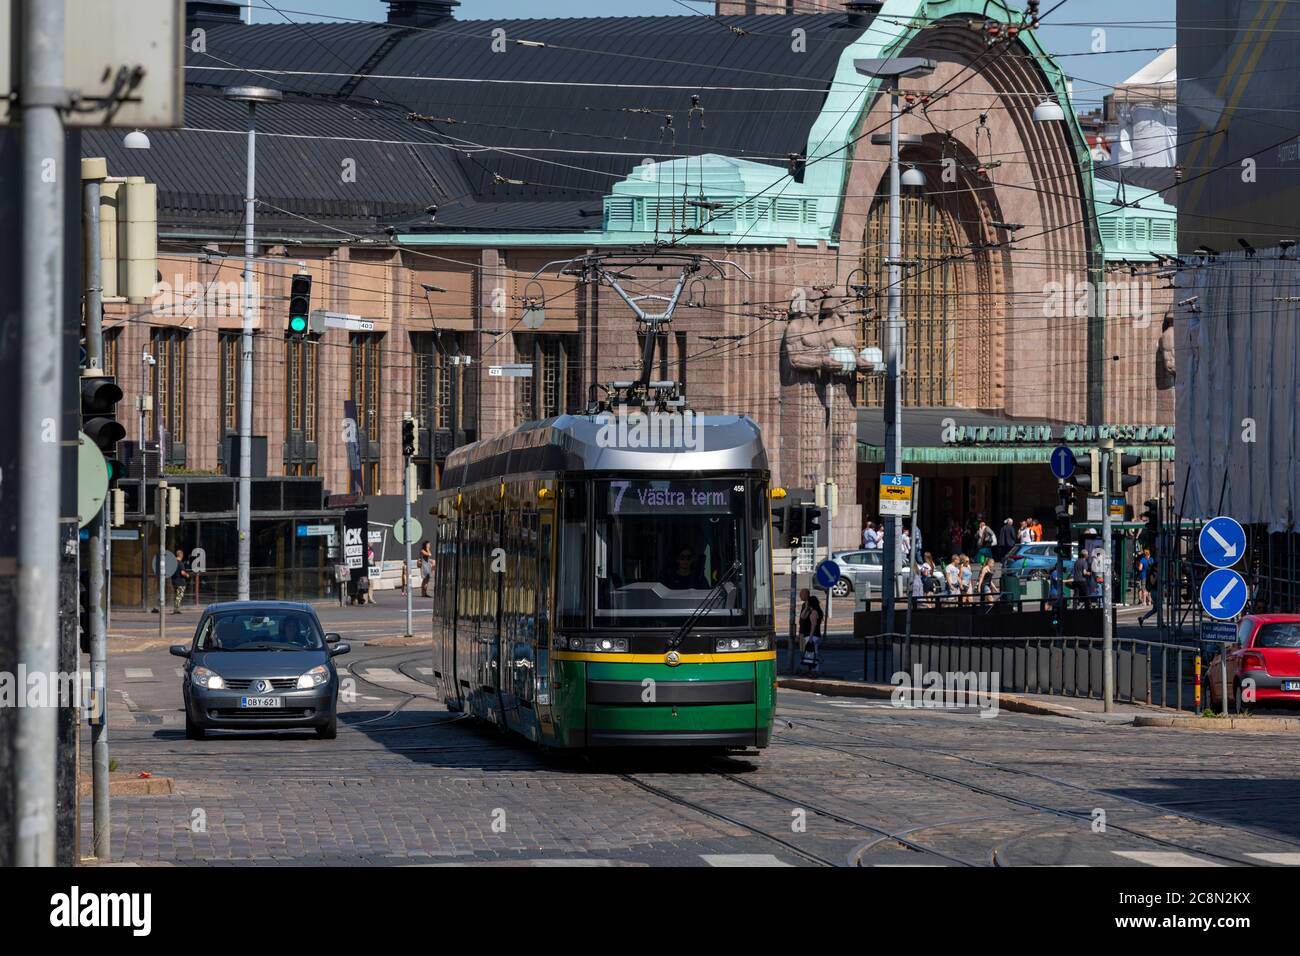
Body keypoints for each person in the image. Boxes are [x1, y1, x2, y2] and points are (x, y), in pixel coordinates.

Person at [798, 589, 824, 673]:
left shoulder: (814, 612)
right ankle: (811, 669)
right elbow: (802, 616)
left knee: (813, 653)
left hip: (812, 636)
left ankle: (815, 670)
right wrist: (806, 608)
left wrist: (811, 637)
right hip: (810, 635)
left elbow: (813, 625)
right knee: (810, 654)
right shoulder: (812, 610)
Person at [170, 549, 190, 614]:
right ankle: (176, 609)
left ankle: (176, 608)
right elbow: (182, 572)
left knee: (177, 595)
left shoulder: (173, 563)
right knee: (179, 596)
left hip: (174, 581)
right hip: (180, 582)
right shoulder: (180, 563)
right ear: (181, 555)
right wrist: (187, 575)